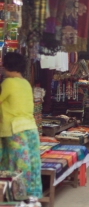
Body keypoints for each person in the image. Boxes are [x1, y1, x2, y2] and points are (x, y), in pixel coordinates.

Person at [0, 52, 42, 198]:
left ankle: (18, 198)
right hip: (31, 128)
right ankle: (31, 196)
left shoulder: (8, 83)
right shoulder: (25, 83)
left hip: (16, 130)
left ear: (6, 65)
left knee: (17, 166)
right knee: (32, 163)